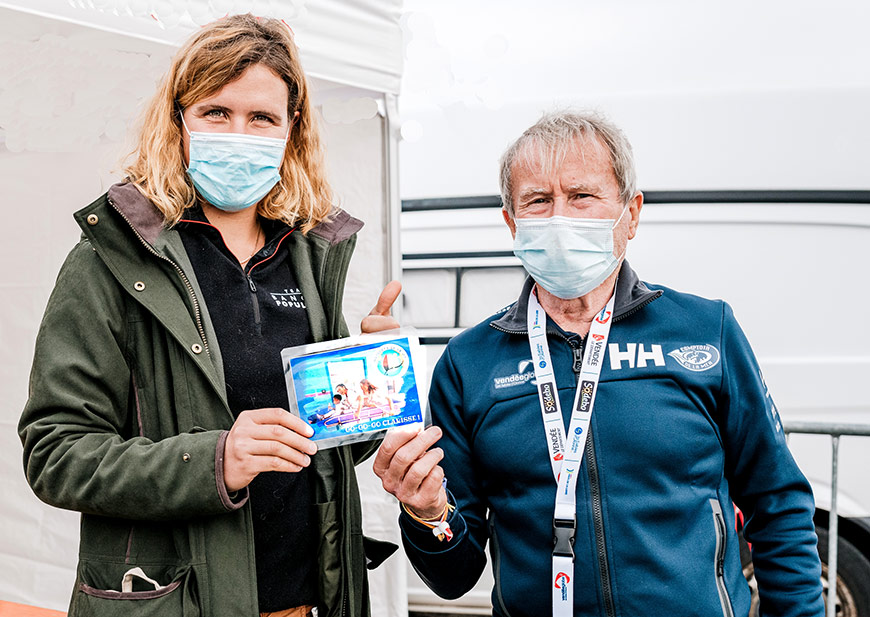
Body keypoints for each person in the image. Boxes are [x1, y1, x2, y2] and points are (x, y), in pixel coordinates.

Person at [19, 14, 400, 617]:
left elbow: (317, 453)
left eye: (262, 118)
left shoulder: (305, 256)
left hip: (308, 602)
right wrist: (211, 462)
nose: (239, 133)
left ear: (291, 129)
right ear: (180, 121)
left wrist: (371, 391)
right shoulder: (112, 260)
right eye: (217, 112)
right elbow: (54, 453)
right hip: (174, 602)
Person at [373, 111, 824, 616]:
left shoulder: (704, 331)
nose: (559, 217)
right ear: (511, 222)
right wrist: (427, 513)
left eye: (582, 195)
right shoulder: (468, 362)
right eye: (538, 200)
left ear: (630, 214)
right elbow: (453, 579)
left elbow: (777, 503)